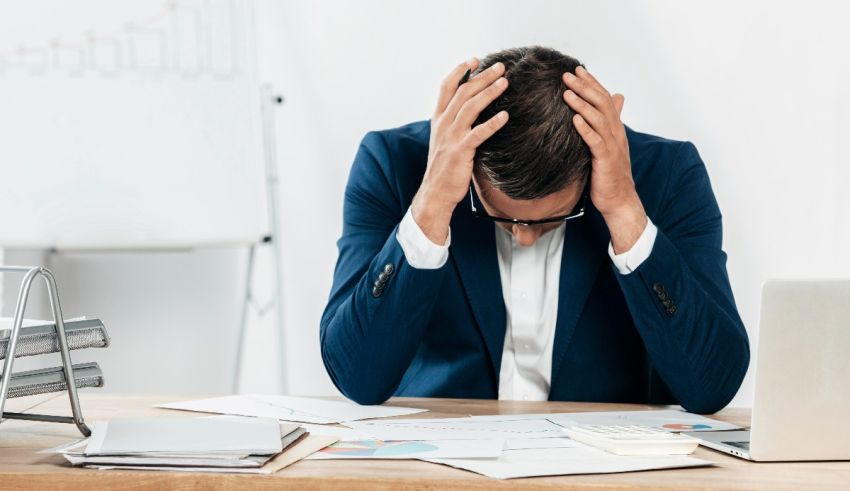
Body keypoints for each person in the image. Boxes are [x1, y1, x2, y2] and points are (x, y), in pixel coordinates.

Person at [320, 46, 749, 413]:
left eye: (551, 218)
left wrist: (623, 209)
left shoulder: (667, 174)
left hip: (609, 470)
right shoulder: (391, 165)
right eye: (502, 216)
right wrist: (430, 204)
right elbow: (357, 377)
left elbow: (711, 385)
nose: (523, 235)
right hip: (446, 464)